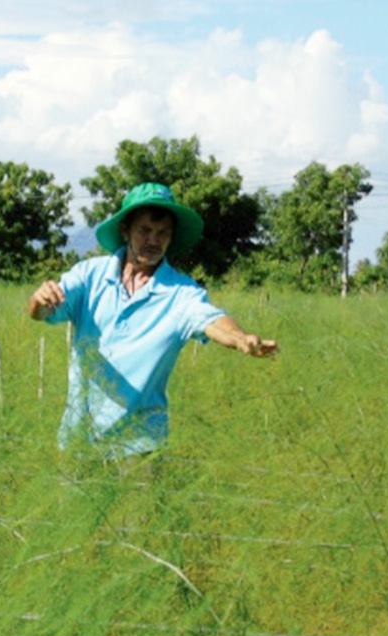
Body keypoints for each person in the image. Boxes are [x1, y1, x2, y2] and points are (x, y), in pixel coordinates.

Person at [27, 182, 277, 458]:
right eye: (145, 230)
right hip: (78, 439)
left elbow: (210, 319)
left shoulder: (179, 293)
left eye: (163, 233)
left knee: (140, 501)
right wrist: (39, 300)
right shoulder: (89, 275)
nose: (154, 241)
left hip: (139, 447)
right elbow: (41, 313)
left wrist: (240, 339)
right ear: (126, 231)